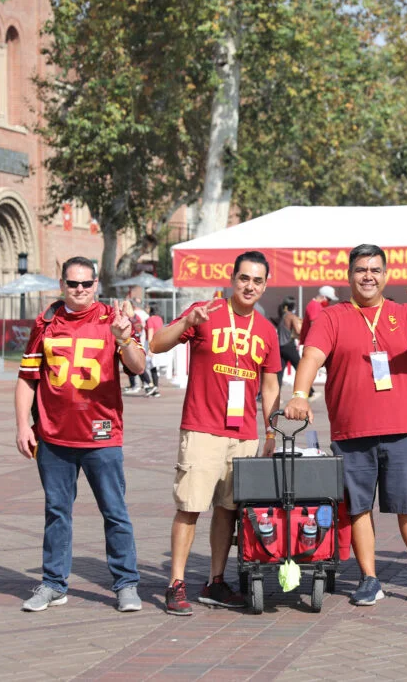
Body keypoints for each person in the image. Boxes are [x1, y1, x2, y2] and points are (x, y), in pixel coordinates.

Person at [285, 244, 407, 608]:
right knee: (359, 507)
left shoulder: (405, 312)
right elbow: (312, 355)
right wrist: (299, 394)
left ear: (386, 275)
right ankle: (369, 578)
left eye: (375, 270)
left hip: (400, 427)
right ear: (349, 275)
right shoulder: (332, 317)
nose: (368, 276)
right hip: (351, 430)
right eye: (361, 269)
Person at [150, 251, 281, 616]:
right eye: (244, 278)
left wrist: (271, 433)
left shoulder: (267, 330)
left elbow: (269, 388)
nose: (249, 286)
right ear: (232, 278)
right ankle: (176, 583)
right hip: (202, 428)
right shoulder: (205, 311)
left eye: (257, 280)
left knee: (228, 510)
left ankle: (215, 581)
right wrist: (186, 323)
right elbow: (157, 344)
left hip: (244, 434)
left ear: (265, 285)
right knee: (190, 507)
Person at [15, 256, 145, 613]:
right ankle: (54, 584)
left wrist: (123, 339)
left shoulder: (112, 319)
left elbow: (138, 366)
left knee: (114, 511)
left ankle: (126, 583)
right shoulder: (45, 323)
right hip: (54, 438)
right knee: (57, 512)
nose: (80, 290)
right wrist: (22, 425)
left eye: (87, 283)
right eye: (73, 284)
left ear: (96, 284)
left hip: (102, 436)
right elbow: (28, 378)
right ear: (62, 285)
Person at [274, 296, 303, 391]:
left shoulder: (281, 316)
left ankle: (276, 392)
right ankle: (309, 391)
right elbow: (298, 331)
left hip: (280, 346)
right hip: (289, 345)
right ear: (293, 307)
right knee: (300, 367)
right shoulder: (291, 316)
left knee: (280, 371)